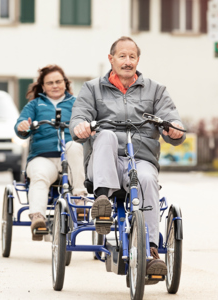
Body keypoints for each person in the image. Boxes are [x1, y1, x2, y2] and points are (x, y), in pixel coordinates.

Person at [70, 36, 185, 278]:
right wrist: (81, 126)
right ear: (111, 59)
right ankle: (103, 202)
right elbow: (79, 116)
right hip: (104, 161)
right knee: (107, 135)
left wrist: (173, 128)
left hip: (140, 158)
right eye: (122, 56)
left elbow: (171, 117)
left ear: (138, 60)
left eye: (132, 56)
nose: (127, 61)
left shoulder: (156, 89)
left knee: (147, 179)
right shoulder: (92, 88)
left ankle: (151, 251)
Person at [14, 65, 87, 241]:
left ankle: (79, 201)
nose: (55, 85)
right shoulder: (35, 104)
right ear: (43, 86)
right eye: (50, 83)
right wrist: (23, 126)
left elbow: (87, 123)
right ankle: (38, 218)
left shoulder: (76, 103)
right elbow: (21, 124)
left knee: (75, 147)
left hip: (69, 157)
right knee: (39, 175)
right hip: (43, 157)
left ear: (65, 83)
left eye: (58, 81)